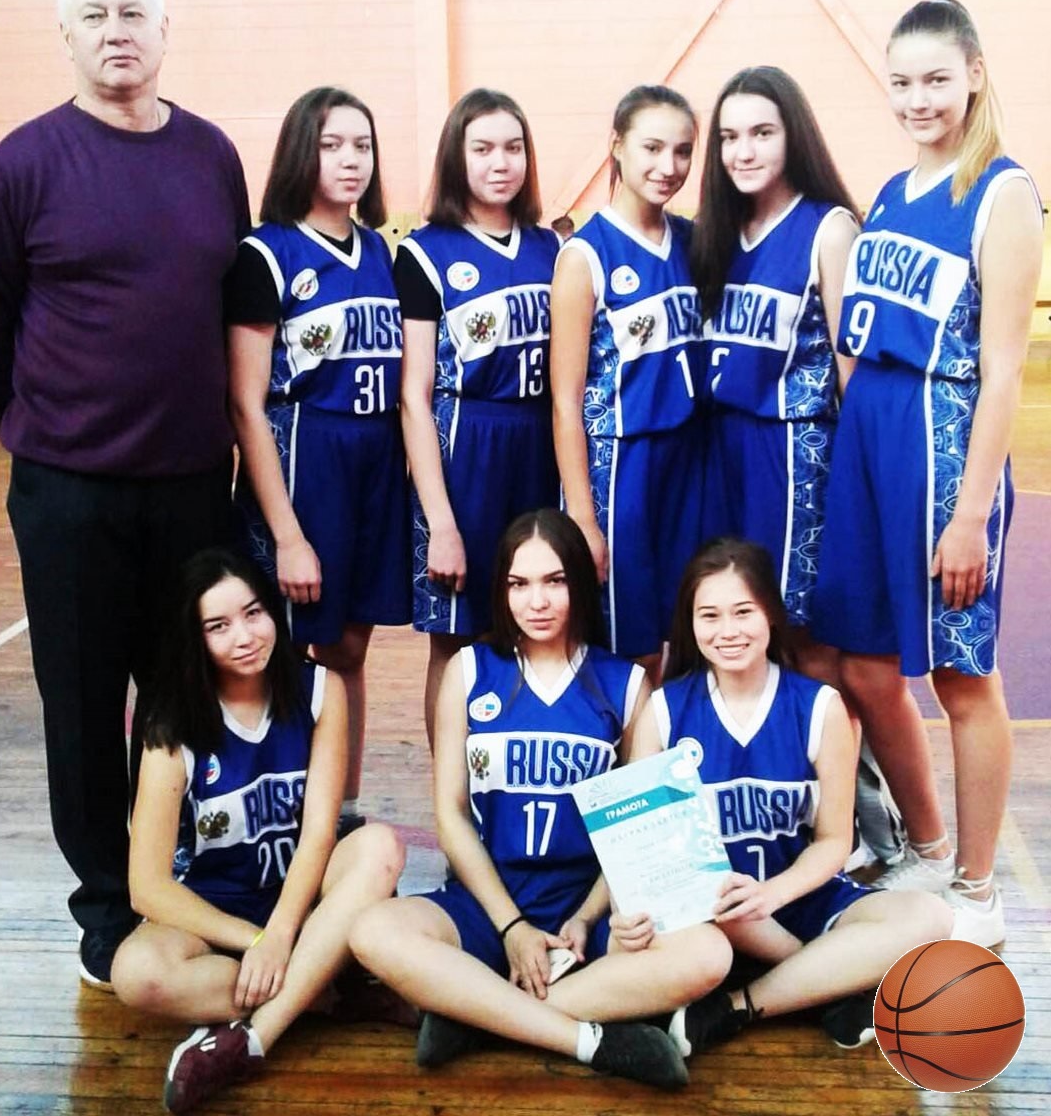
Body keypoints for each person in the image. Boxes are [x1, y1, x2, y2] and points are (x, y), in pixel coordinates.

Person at [0, 0, 250, 987]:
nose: (116, 30)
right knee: (81, 703)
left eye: (132, 13)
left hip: (191, 486)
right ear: (66, 37)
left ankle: (184, 871)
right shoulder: (20, 166)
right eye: (94, 16)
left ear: (164, 32)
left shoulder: (211, 156)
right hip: (69, 494)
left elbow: (227, 304)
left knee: (185, 692)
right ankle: (108, 904)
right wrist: (42, 431)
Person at [349, 509, 731, 1089]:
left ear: (579, 583)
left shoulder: (626, 684)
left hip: (584, 909)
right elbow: (451, 815)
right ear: (502, 591)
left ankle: (479, 1014)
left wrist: (588, 916)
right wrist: (511, 927)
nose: (537, 601)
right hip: (489, 901)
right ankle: (588, 1036)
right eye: (519, 584)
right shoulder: (470, 671)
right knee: (373, 932)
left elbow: (638, 831)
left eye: (555, 581)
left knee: (708, 953)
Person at [811, 0, 1043, 946]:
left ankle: (978, 891)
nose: (918, 98)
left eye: (936, 79)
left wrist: (968, 512)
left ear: (974, 75)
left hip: (940, 444)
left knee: (960, 675)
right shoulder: (891, 190)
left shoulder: (1003, 192)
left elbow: (1003, 371)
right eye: (901, 81)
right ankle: (926, 846)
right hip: (868, 438)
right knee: (864, 663)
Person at [631, 539, 952, 1061]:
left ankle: (740, 1004)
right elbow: (648, 847)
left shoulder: (819, 706)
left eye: (743, 612)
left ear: (771, 616)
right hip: (715, 912)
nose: (728, 630)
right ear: (689, 623)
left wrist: (772, 894)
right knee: (704, 897)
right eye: (709, 615)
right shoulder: (664, 710)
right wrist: (732, 900)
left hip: (797, 895)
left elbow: (833, 841)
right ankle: (826, 984)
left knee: (931, 917)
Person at [111, 549, 403, 1112]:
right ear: (195, 639)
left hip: (302, 896)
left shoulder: (320, 689)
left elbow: (319, 833)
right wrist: (257, 943)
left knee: (380, 847)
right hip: (216, 911)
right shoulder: (171, 725)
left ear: (273, 612)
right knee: (136, 973)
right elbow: (146, 887)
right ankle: (325, 991)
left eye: (253, 614)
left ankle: (252, 1034)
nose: (244, 637)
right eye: (218, 626)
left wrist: (282, 934)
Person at [224, 87, 408, 835]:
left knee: (348, 646)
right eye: (332, 145)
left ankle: (343, 809)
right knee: (283, 649)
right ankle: (277, 807)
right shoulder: (266, 254)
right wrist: (289, 534)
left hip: (377, 460)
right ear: (302, 151)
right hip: (306, 460)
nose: (350, 160)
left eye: (361, 145)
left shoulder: (382, 252)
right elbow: (245, 405)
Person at [396, 89, 562, 746]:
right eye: (483, 148)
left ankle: (517, 773)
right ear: (455, 157)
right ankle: (450, 789)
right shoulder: (424, 252)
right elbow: (414, 397)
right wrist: (440, 522)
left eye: (513, 147)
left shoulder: (553, 248)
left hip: (540, 445)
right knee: (456, 635)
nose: (501, 162)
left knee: (539, 623)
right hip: (466, 450)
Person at [691, 66, 859, 679]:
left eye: (762, 133)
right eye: (729, 137)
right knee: (729, 622)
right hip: (718, 448)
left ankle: (831, 743)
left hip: (794, 452)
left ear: (795, 135)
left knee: (799, 631)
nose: (744, 151)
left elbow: (852, 376)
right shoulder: (715, 232)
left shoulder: (828, 228)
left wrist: (862, 486)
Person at [551, 85, 703, 678]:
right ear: (617, 145)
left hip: (688, 459)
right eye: (652, 147)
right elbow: (565, 403)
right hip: (620, 467)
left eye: (683, 151)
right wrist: (584, 519)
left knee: (687, 636)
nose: (669, 166)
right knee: (629, 648)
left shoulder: (693, 242)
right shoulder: (586, 256)